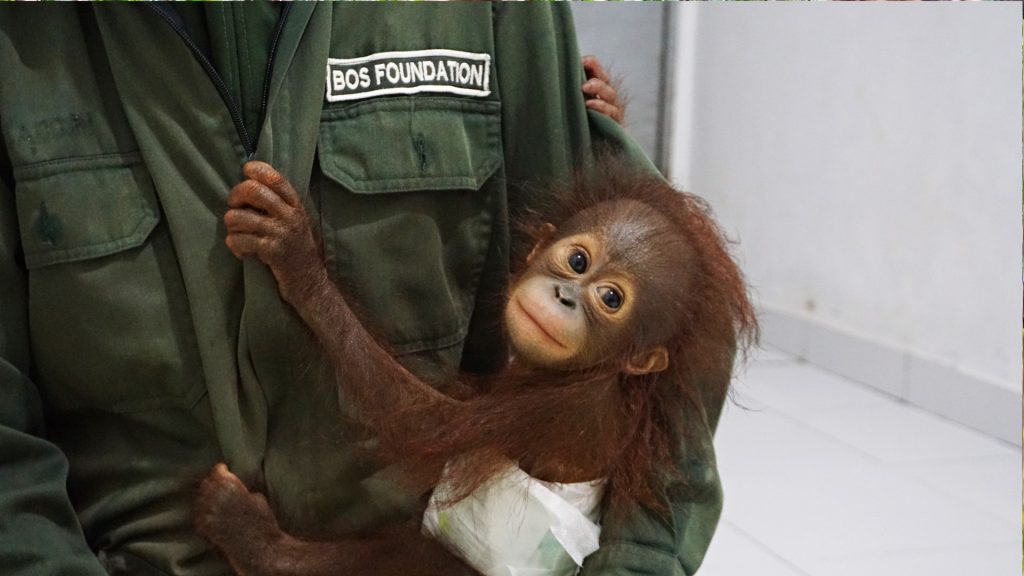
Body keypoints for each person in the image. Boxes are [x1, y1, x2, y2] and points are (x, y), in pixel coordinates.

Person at [0, 4, 729, 575]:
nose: (569, 298)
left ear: (639, 358)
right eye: (574, 267)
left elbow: (664, 422)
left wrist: (310, 281)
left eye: (606, 300)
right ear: (541, 243)